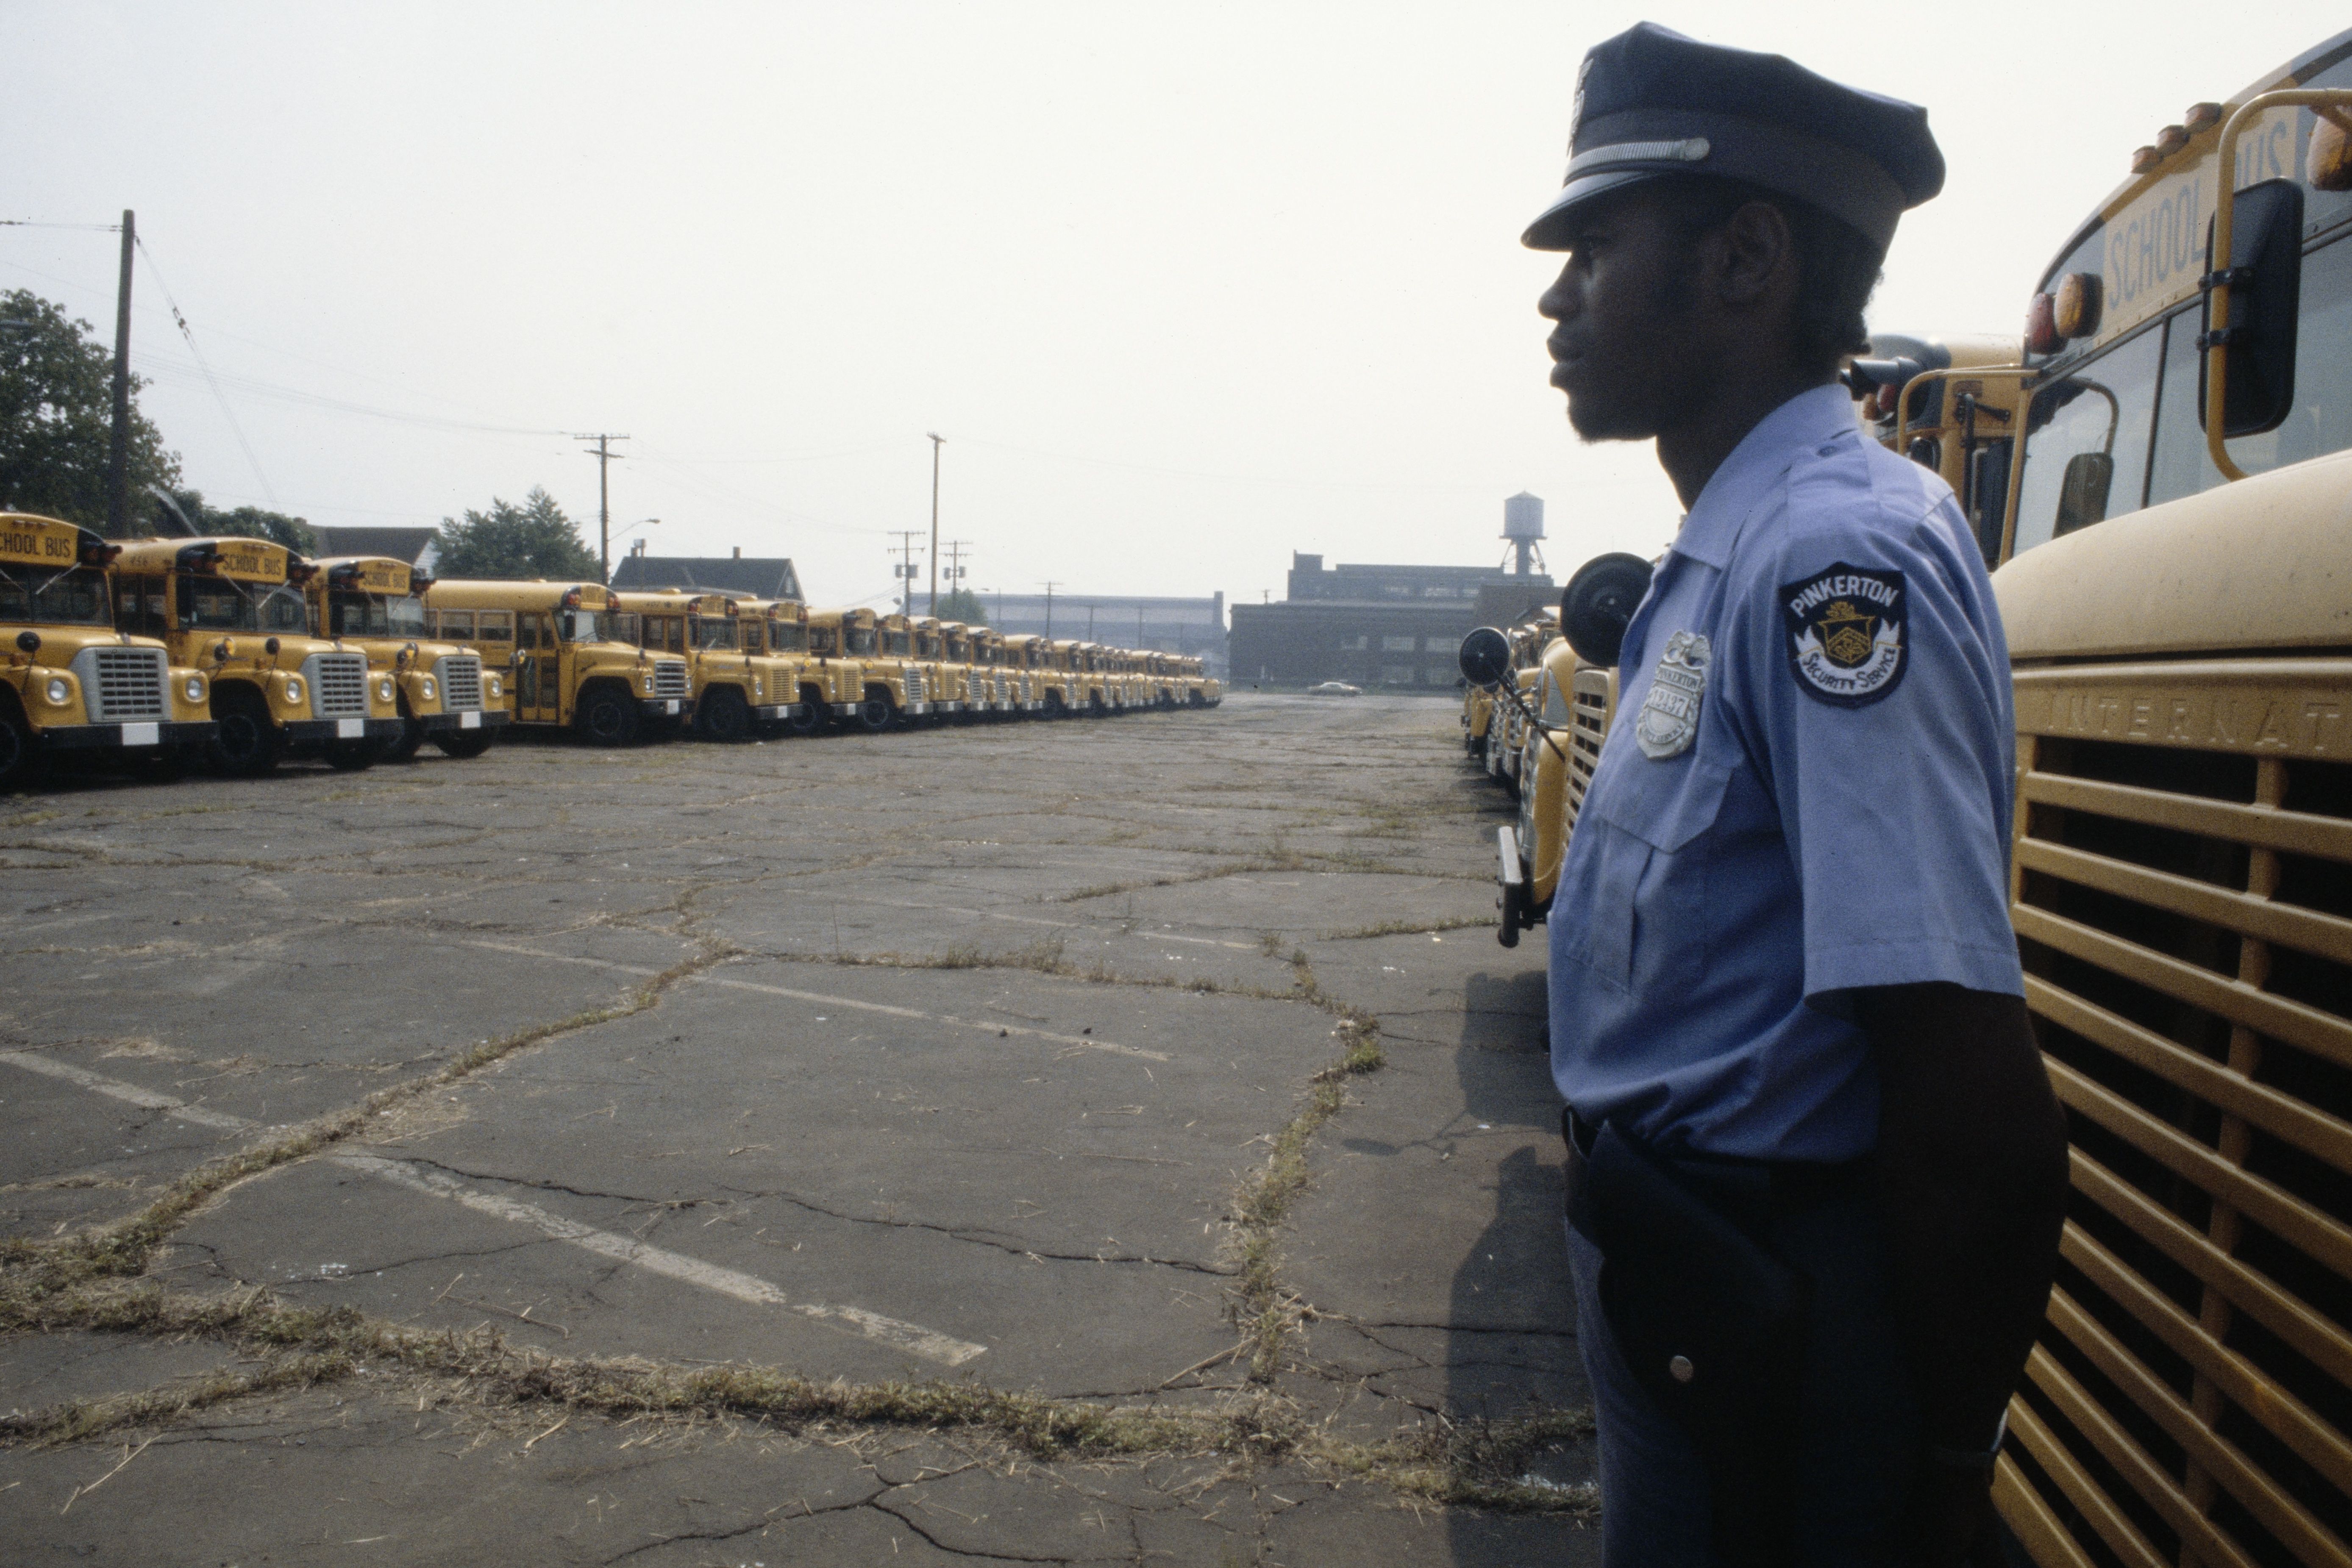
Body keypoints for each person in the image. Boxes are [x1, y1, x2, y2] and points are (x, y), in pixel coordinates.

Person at [1526, 23, 2068, 1568]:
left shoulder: (1836, 565)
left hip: (1781, 1330)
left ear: (1747, 256)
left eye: (1597, 244)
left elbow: (1971, 1105)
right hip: (1685, 1280)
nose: (1556, 296)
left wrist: (1947, 1472)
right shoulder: (1734, 547)